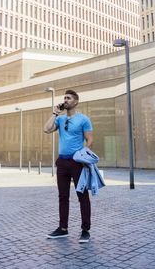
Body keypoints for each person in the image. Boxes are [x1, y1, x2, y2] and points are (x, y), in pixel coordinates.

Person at [44, 89, 93, 243]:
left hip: (77, 162)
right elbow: (46, 129)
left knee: (82, 195)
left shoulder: (83, 119)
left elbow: (89, 140)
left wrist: (84, 155)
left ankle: (85, 230)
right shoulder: (60, 119)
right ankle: (62, 228)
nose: (65, 100)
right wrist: (54, 113)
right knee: (63, 196)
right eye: (64, 98)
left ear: (76, 101)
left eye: (69, 98)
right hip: (62, 162)